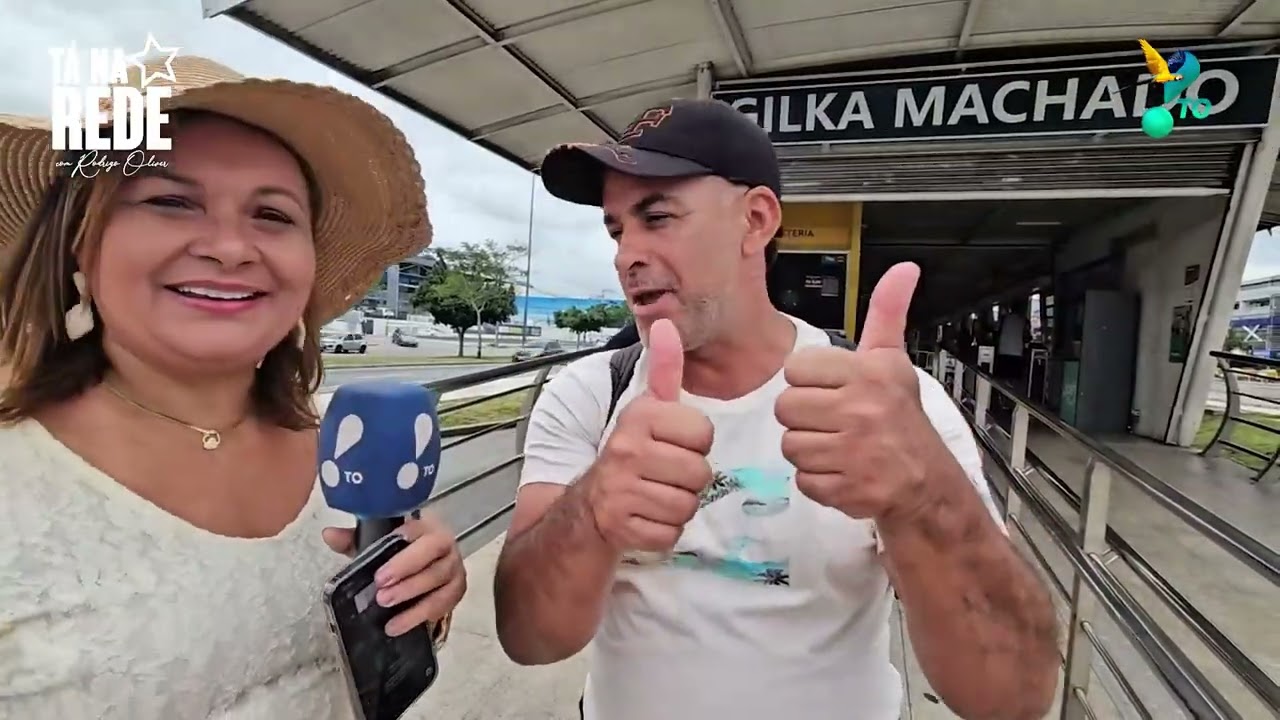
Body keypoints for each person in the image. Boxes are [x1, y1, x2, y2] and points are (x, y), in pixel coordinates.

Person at [492, 99, 1060, 720]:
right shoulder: (590, 393)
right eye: (617, 229)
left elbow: (1013, 698)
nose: (626, 254)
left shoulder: (887, 406)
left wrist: (925, 497)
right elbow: (528, 639)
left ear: (756, 219)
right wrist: (591, 511)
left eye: (657, 216)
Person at [0, 56, 466, 718]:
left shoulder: (344, 451)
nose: (230, 247)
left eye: (272, 215)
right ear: (80, 242)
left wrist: (424, 598)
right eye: (170, 201)